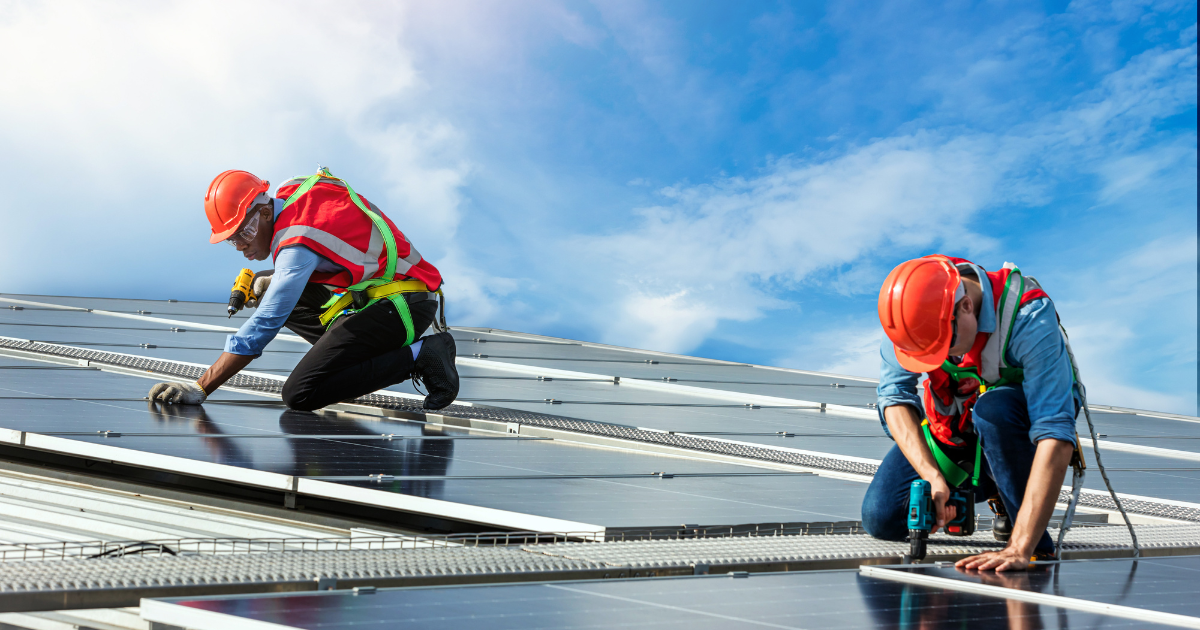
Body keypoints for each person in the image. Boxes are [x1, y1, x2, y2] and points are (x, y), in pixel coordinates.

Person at [148, 167, 459, 411]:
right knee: (271, 288)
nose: (241, 245)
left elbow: (265, 324)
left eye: (244, 232)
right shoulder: (292, 190)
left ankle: (422, 355)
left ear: (266, 212)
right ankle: (340, 359)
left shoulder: (296, 243)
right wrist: (268, 281)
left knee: (301, 393)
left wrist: (201, 387)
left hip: (403, 304)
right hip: (382, 292)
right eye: (232, 238)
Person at [863, 255, 1082, 571]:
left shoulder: (1027, 317)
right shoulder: (910, 316)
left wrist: (1021, 547)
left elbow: (1054, 432)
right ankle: (992, 485)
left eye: (944, 345)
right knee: (881, 517)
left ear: (965, 306)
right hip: (958, 425)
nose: (943, 357)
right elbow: (894, 398)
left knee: (994, 409)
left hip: (1019, 425)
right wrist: (932, 475)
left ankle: (1030, 536)